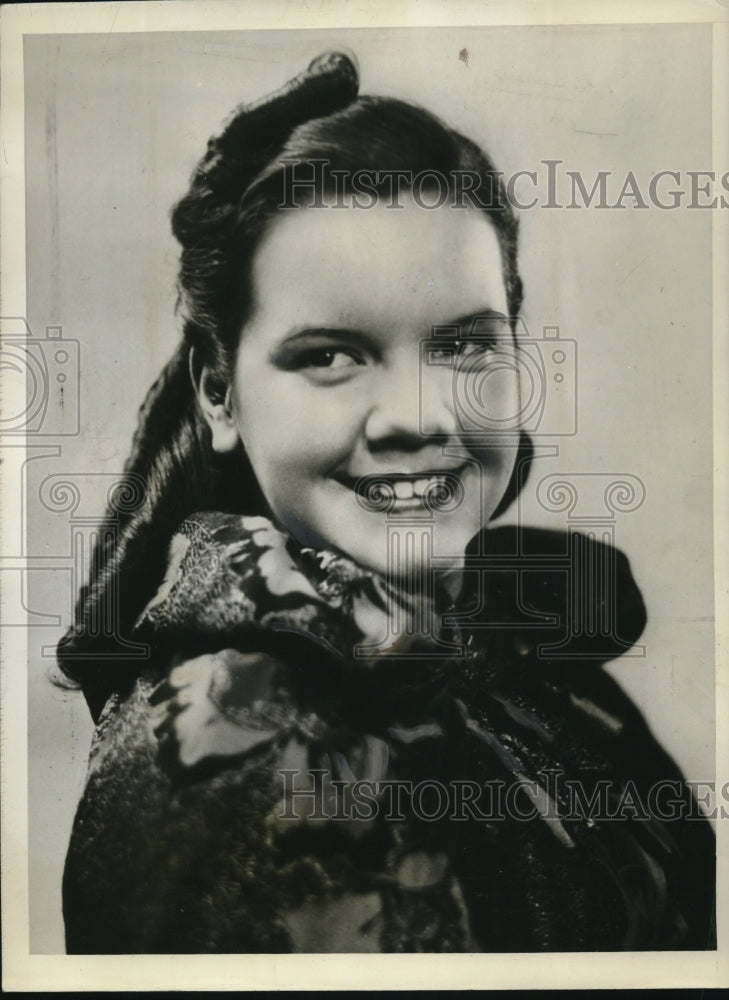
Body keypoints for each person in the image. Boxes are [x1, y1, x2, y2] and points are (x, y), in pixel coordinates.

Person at [58, 51, 715, 954]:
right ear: (219, 392)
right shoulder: (246, 732)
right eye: (330, 354)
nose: (417, 416)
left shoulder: (527, 655)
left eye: (465, 346)